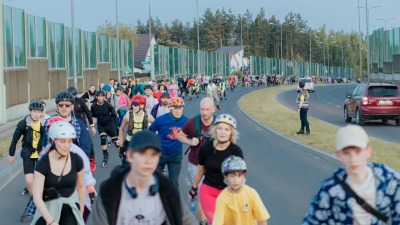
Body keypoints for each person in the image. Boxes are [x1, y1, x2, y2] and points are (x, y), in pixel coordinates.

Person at [87, 131, 197, 225]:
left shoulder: (167, 191)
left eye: (153, 155)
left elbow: (188, 221)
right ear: (129, 155)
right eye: (142, 153)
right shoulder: (110, 191)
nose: (148, 161)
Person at [302, 124, 400, 224]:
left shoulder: (390, 180)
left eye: (358, 152)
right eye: (346, 153)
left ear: (368, 151)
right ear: (338, 155)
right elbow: (312, 221)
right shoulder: (330, 189)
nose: (353, 159)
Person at [189, 114, 243, 224]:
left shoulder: (236, 151)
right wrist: (193, 189)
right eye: (220, 128)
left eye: (227, 129)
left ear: (231, 132)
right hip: (208, 191)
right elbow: (200, 170)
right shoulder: (206, 148)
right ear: (215, 130)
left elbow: (239, 177)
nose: (223, 132)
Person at [40, 117, 97, 222]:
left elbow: (86, 175)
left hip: (73, 198)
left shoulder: (76, 153)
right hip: (51, 200)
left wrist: (91, 193)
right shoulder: (44, 154)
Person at [31, 121, 85, 225]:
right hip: (49, 208)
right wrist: (51, 221)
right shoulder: (43, 164)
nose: (67, 145)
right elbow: (37, 197)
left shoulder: (77, 160)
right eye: (62, 141)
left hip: (70, 208)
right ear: (53, 141)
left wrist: (81, 211)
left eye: (70, 141)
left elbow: (81, 187)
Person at [178, 97, 216, 225]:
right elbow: (180, 135)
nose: (204, 112)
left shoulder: (219, 124)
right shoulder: (192, 122)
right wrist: (190, 141)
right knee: (203, 196)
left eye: (207, 109)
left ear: (214, 109)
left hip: (214, 166)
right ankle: (203, 222)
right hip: (196, 164)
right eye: (202, 109)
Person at [8, 101, 46, 222]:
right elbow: (15, 139)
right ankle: (35, 202)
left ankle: (38, 203)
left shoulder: (44, 124)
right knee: (30, 182)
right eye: (33, 112)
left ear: (41, 113)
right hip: (28, 153)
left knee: (41, 180)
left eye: (38, 112)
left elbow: (49, 138)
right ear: (30, 112)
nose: (35, 114)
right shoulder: (23, 123)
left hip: (41, 153)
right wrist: (11, 154)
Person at [213, 156, 270, 225]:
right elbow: (218, 221)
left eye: (239, 176)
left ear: (244, 176)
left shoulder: (251, 193)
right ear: (226, 177)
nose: (235, 180)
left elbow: (262, 219)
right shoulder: (222, 198)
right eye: (232, 176)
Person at [149, 97, 188, 186]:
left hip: (175, 155)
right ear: (171, 108)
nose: (178, 111)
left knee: (173, 183)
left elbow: (192, 134)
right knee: (155, 181)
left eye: (180, 108)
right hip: (160, 154)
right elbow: (150, 130)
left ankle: (172, 199)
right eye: (175, 108)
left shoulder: (186, 121)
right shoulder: (161, 120)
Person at [118, 95, 154, 164]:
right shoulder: (128, 115)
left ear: (142, 106)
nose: (133, 106)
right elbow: (121, 128)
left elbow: (156, 127)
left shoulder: (148, 116)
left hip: (142, 144)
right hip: (129, 142)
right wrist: (121, 143)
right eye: (132, 104)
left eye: (136, 104)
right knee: (126, 166)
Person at [91, 90, 120, 167]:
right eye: (99, 96)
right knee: (103, 138)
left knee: (116, 142)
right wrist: (92, 126)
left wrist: (116, 126)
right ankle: (105, 156)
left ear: (104, 97)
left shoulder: (108, 105)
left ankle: (121, 154)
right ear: (96, 97)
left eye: (101, 96)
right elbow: (93, 117)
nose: (100, 98)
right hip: (101, 125)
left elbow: (114, 114)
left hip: (110, 124)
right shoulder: (93, 106)